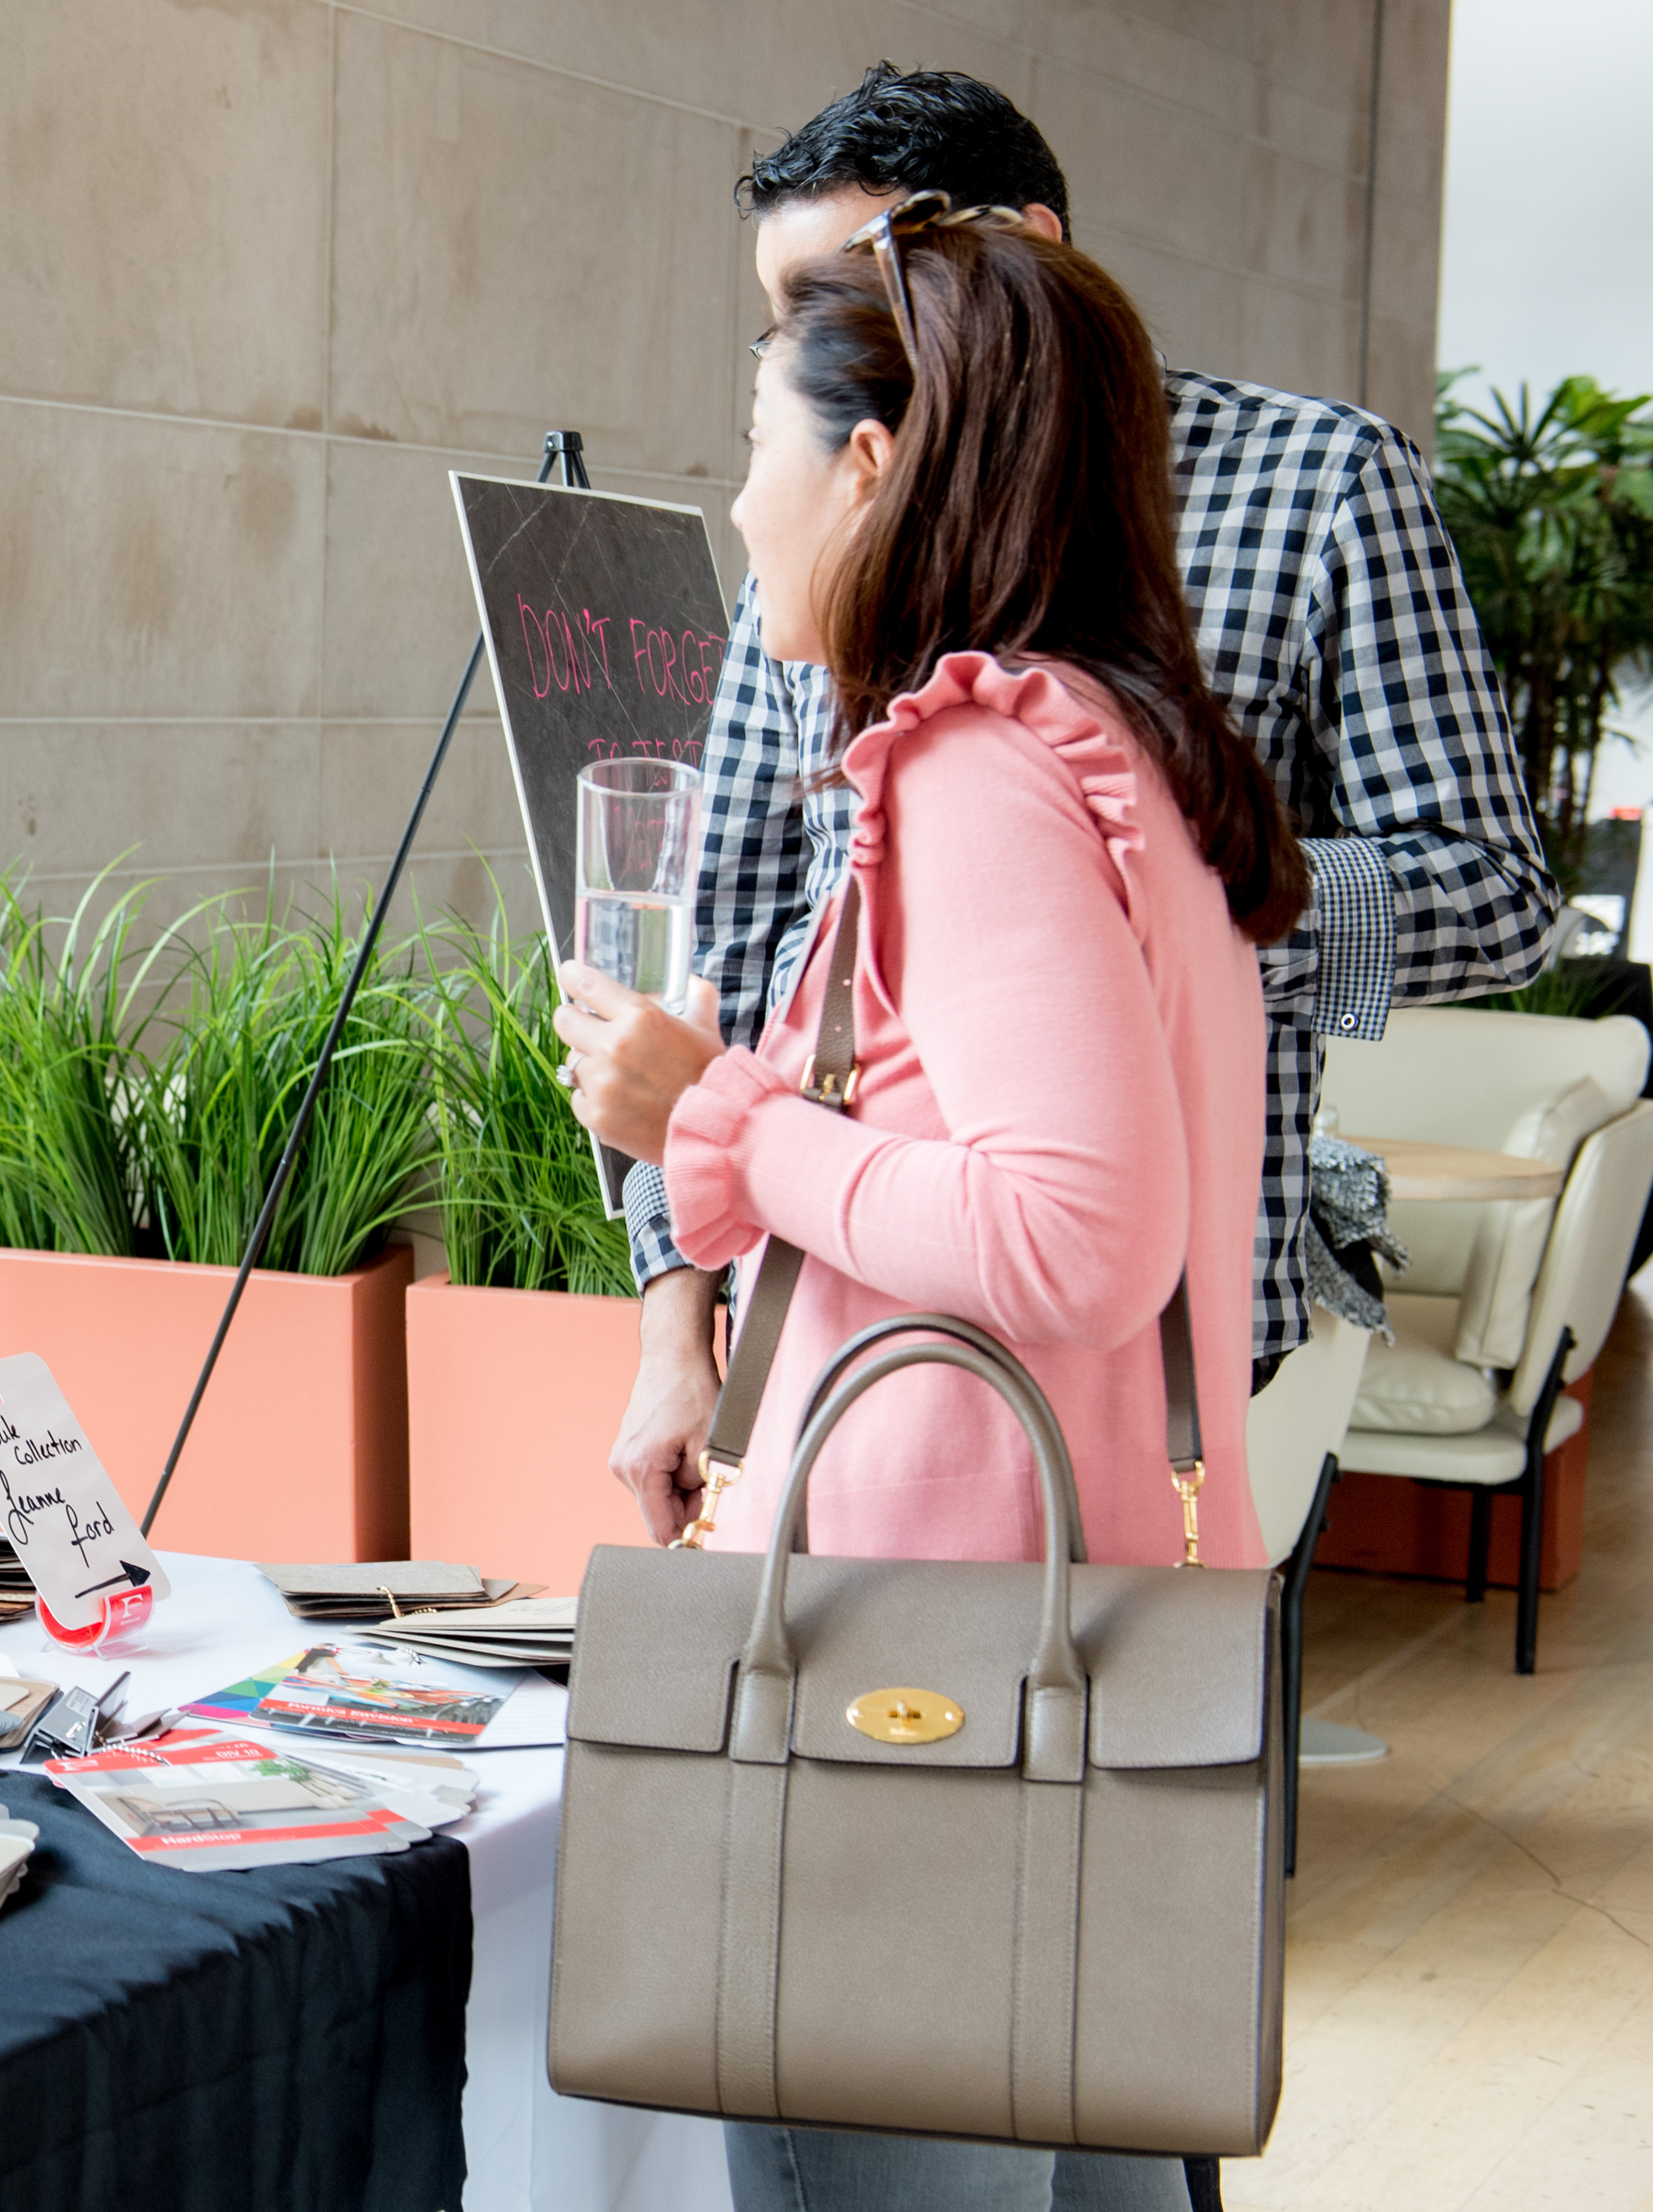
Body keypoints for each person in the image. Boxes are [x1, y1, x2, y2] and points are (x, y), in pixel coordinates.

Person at [555, 199, 1291, 2212]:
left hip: (910, 1675)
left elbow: (1074, 1232)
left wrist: (714, 1111)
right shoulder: (1122, 754)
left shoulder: (974, 768)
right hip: (1083, 1648)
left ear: (868, 464)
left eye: (756, 446)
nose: (740, 506)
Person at [610, 67, 1555, 1555]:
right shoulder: (821, 555)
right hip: (847, 1323)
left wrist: (1161, 919)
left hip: (1134, 1333)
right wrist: (679, 1323)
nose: (813, 350)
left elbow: (1495, 892)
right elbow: (733, 953)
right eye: (784, 320)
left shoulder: (1316, 490)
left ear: (1022, 252)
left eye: (857, 294)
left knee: (1100, 1671)